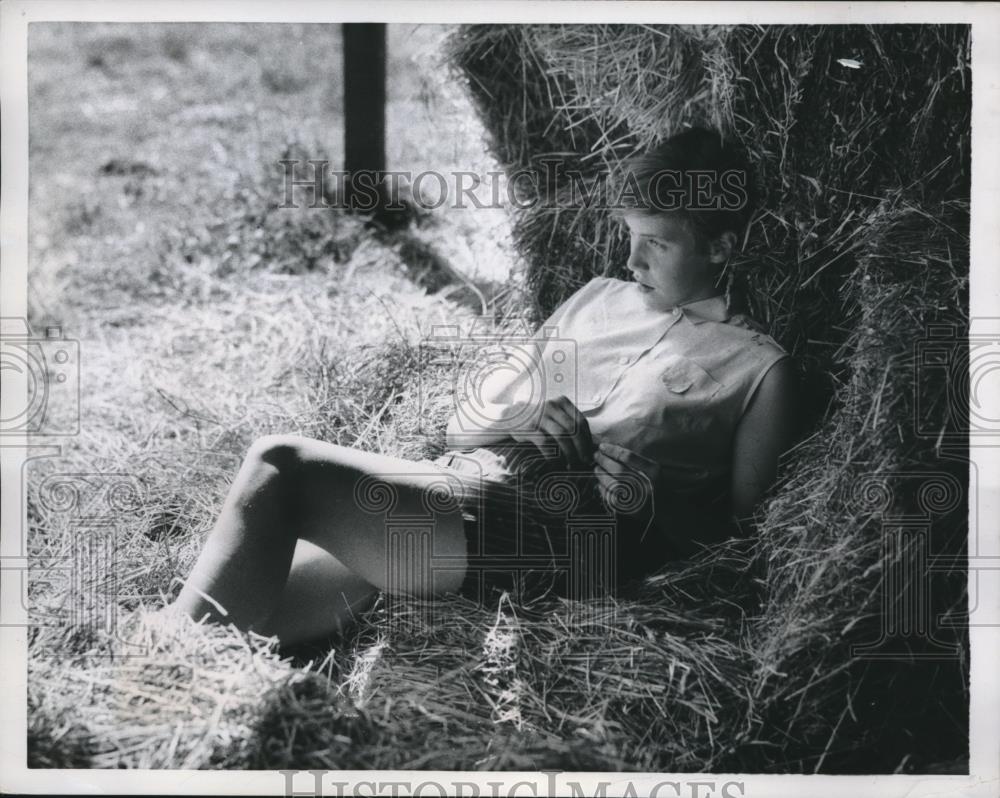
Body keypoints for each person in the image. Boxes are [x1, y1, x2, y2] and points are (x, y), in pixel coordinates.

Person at [173, 127, 797, 646]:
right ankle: (158, 680)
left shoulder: (759, 368)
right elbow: (461, 426)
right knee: (244, 626)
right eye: (630, 238)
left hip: (567, 536)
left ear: (721, 247)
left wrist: (658, 504)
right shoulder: (598, 301)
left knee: (281, 464)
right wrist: (522, 413)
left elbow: (744, 549)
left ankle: (160, 676)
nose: (632, 262)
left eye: (656, 244)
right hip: (468, 484)